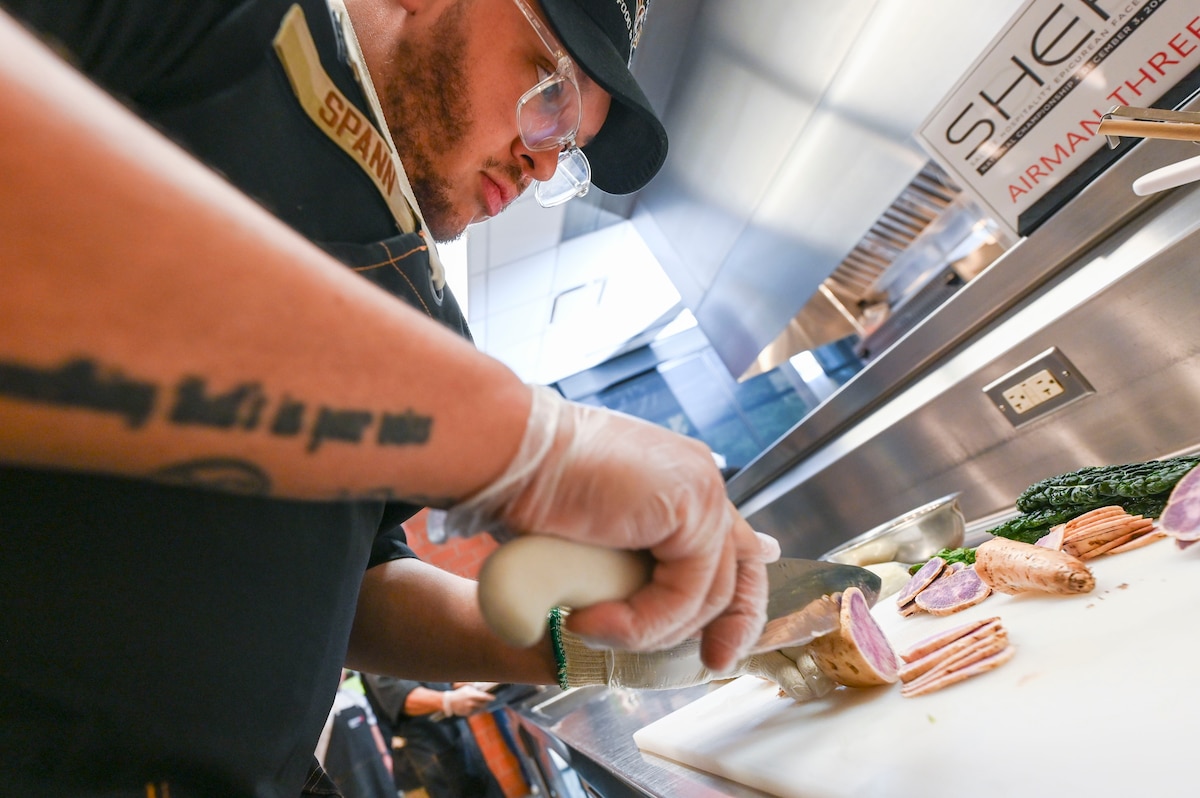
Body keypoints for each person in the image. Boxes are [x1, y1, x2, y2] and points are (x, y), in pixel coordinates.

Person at [0, 1, 814, 795]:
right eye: (552, 89)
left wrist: (587, 646)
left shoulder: (422, 307)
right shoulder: (236, 26)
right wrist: (528, 446)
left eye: (567, 147)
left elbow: (356, 585)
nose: (541, 161)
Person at [361, 675, 504, 798]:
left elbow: (440, 678)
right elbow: (402, 698)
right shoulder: (377, 653)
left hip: (458, 736)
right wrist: (448, 701)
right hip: (429, 748)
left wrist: (470, 684)